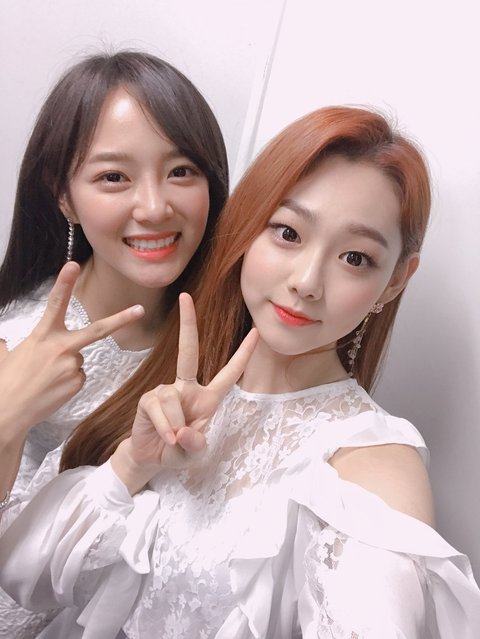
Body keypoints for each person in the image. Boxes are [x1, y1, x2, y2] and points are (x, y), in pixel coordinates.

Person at [1, 106, 479, 638]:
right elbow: (23, 577)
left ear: (394, 282)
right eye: (288, 233)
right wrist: (132, 463)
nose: (306, 281)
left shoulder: (371, 465)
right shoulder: (174, 378)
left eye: (355, 258)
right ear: (246, 228)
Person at [0, 49, 228, 637]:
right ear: (64, 197)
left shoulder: (226, 333)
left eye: (181, 171)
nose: (154, 207)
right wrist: (7, 414)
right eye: (113, 177)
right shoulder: (13, 342)